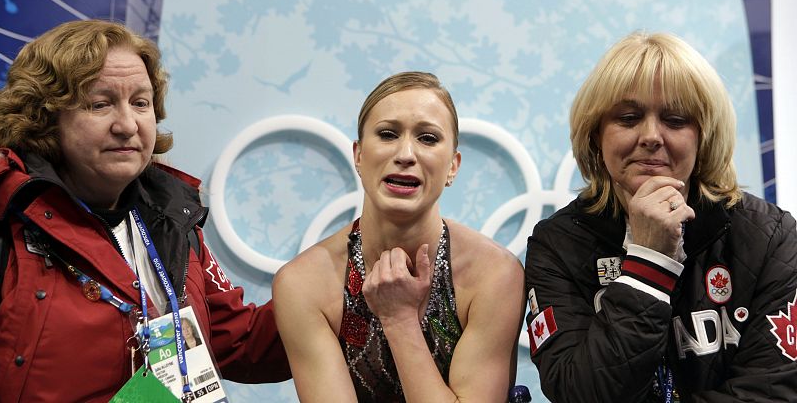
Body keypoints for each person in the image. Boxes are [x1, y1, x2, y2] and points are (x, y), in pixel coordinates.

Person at [0, 20, 290, 401]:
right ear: (45, 118)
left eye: (141, 103)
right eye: (99, 104)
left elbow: (241, 342)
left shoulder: (171, 218)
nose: (127, 125)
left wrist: (351, 270)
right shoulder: (8, 218)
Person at [525, 31, 797, 402]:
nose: (651, 135)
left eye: (675, 119)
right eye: (629, 117)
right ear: (595, 135)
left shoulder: (771, 236)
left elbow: (774, 393)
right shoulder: (556, 244)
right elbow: (580, 393)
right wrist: (649, 261)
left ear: (705, 136)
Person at [273, 71, 526, 402]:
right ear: (359, 156)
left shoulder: (495, 274)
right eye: (388, 134)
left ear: (453, 166)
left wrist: (399, 319)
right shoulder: (303, 283)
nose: (406, 154)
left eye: (428, 138)